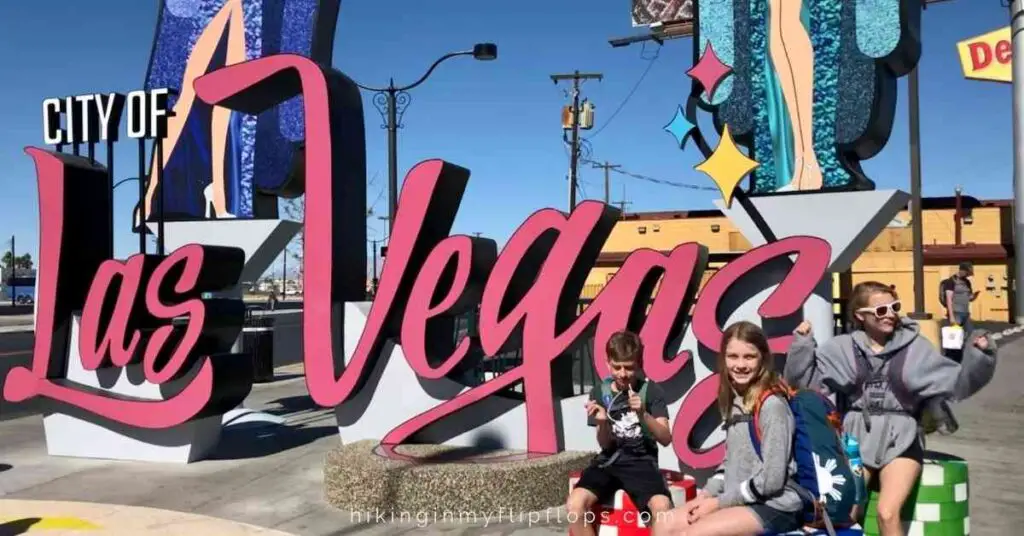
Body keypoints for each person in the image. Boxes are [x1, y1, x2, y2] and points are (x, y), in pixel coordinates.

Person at [785, 281, 997, 536]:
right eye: (881, 310)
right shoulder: (841, 348)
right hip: (854, 440)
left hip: (902, 440)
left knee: (887, 512)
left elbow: (957, 383)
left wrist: (980, 356)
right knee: (842, 511)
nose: (891, 314)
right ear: (860, 316)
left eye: (894, 307)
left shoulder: (916, 348)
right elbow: (802, 382)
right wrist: (803, 343)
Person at [654, 321, 804, 536]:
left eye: (749, 357)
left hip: (775, 505)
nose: (740, 365)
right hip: (740, 499)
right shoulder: (736, 400)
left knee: (691, 534)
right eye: (733, 356)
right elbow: (730, 464)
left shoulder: (772, 406)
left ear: (763, 358)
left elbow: (772, 480)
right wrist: (705, 495)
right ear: (723, 359)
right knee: (663, 524)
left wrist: (717, 504)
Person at [567, 331, 674, 536]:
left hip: (641, 461)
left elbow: (666, 438)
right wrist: (602, 422)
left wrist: (644, 415)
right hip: (609, 461)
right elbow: (605, 445)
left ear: (639, 364)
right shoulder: (599, 392)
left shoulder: (651, 391)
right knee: (575, 504)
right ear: (608, 363)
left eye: (629, 367)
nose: (623, 374)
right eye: (617, 367)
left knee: (662, 508)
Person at [941, 262, 980, 335]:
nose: (968, 275)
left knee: (970, 334)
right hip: (956, 313)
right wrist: (951, 316)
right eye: (967, 273)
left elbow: (969, 298)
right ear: (962, 271)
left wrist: (974, 296)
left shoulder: (967, 282)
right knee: (956, 335)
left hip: (966, 313)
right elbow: (949, 300)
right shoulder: (951, 281)